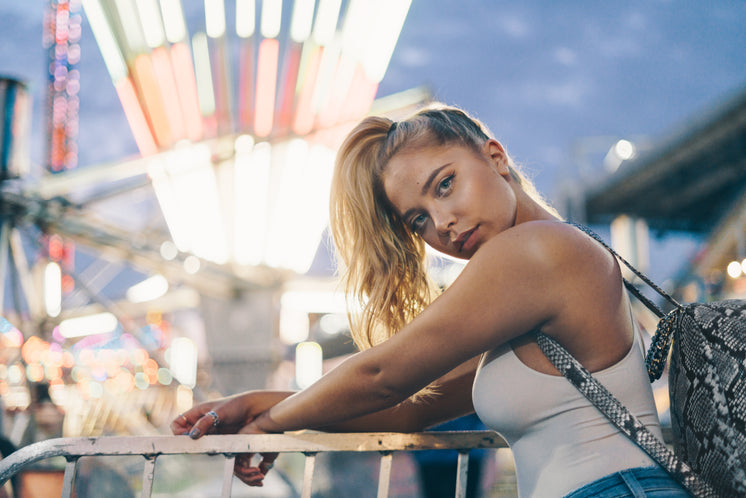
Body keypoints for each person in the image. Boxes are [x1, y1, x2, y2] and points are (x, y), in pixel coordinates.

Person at [171, 104, 688, 497]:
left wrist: (271, 423)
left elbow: (382, 376)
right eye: (417, 219)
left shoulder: (532, 252)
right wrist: (264, 404)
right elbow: (408, 409)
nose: (441, 224)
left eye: (445, 185)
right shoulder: (537, 279)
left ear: (495, 156)